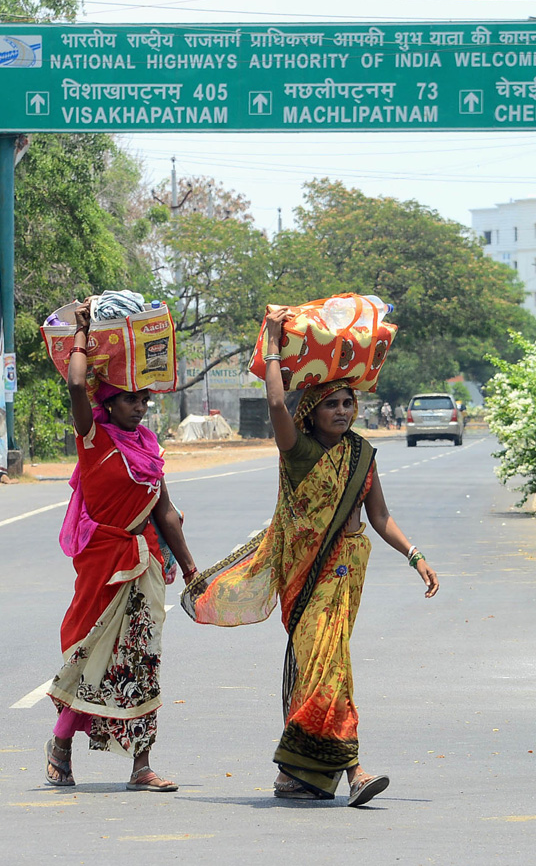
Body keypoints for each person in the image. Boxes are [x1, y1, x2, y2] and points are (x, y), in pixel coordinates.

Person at [182, 306, 439, 806]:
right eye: (332, 405)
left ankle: (295, 772)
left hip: (346, 576)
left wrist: (415, 556)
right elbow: (277, 405)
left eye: (348, 403)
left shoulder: (363, 454)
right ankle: (355, 771)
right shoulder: (297, 450)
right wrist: (274, 345)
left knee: (324, 667)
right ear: (312, 412)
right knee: (330, 666)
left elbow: (380, 516)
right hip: (305, 579)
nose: (343, 411)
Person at [45, 300, 199, 792]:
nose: (140, 406)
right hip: (102, 567)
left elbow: (166, 512)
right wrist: (84, 336)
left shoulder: (150, 449)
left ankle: (142, 766)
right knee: (92, 659)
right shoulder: (91, 437)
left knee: (143, 661)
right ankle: (61, 747)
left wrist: (192, 567)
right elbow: (74, 383)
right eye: (131, 399)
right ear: (108, 403)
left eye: (144, 400)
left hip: (143, 567)